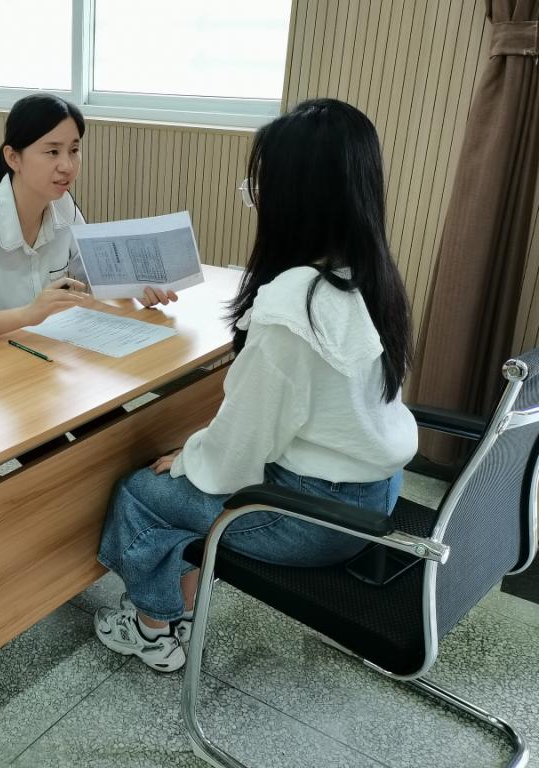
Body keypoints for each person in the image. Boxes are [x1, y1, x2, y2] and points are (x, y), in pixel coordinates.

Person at [93, 98, 419, 672]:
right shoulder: (367, 271)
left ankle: (152, 629)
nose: (257, 199)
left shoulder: (295, 301)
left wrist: (190, 458)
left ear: (296, 196)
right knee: (189, 463)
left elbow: (239, 450)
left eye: (262, 185)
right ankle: (179, 601)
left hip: (317, 520)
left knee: (141, 493)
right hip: (378, 492)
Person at [0, 93, 176, 346]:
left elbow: (96, 275)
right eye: (53, 151)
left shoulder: (63, 206)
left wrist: (133, 288)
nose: (67, 165)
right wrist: (27, 315)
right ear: (13, 158)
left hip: (45, 351)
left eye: (74, 150)